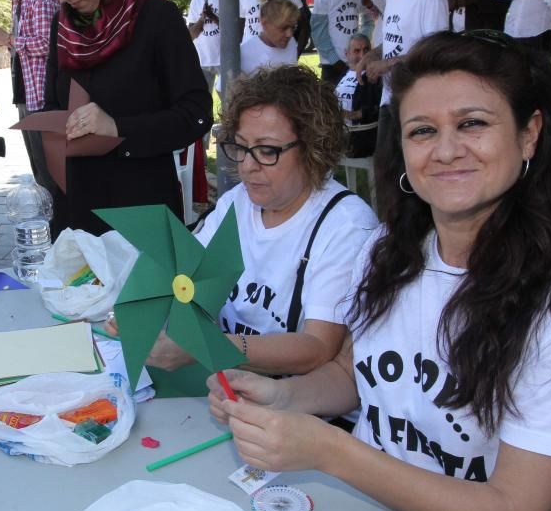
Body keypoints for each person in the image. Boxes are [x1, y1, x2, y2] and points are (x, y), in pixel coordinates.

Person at [208, 30, 551, 511]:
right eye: (423, 130)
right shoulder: (387, 255)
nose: (447, 149)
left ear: (530, 135)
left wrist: (329, 451)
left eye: (473, 123)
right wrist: (278, 399)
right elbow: (354, 375)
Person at [117, 65, 376, 395]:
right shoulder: (239, 202)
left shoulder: (345, 227)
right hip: (222, 391)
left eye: (267, 150)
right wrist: (144, 309)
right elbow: (184, 275)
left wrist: (208, 345)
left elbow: (317, 348)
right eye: (240, 146)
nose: (247, 165)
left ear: (314, 148)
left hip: (294, 411)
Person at [29, 0, 210, 236]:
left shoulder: (156, 20)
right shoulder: (64, 26)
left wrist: (117, 127)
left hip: (143, 213)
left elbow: (196, 114)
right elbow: (52, 104)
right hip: (78, 214)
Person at [356, 0, 448, 195]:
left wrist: (388, 64)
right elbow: (393, 39)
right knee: (385, 168)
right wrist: (371, 56)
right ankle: (391, 227)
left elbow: (435, 49)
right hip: (390, 95)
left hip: (418, 98)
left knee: (415, 172)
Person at [0, 0, 61, 195]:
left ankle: (63, 225)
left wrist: (10, 39)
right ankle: (53, 223)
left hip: (44, 99)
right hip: (25, 97)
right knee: (39, 173)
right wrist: (2, 40)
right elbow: (22, 47)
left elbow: (48, 44)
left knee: (52, 174)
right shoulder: (19, 1)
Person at [311, 0, 370, 85]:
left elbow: (369, 20)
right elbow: (318, 32)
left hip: (356, 62)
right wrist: (334, 59)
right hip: (332, 65)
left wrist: (362, 43)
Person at [334, 34, 382, 157]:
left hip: (359, 136)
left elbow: (383, 108)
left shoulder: (374, 77)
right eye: (356, 51)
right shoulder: (341, 76)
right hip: (336, 132)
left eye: (366, 50)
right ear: (347, 54)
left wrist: (357, 114)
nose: (362, 55)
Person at [238, 0, 300, 76]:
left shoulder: (291, 43)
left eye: (293, 27)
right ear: (264, 23)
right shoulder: (243, 53)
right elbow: (221, 87)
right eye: (283, 28)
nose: (289, 34)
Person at [186, 0, 221, 94]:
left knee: (228, 98)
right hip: (203, 59)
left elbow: (234, 31)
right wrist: (203, 18)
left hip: (224, 58)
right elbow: (191, 34)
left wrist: (213, 17)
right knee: (204, 99)